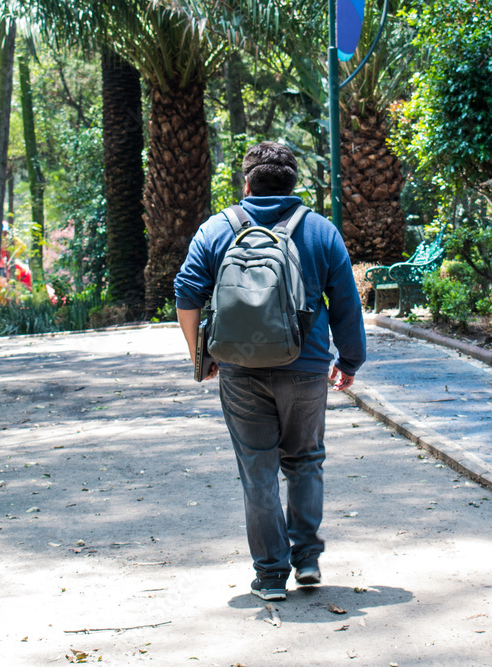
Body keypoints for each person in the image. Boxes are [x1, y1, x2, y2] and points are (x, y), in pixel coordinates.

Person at [174, 141, 367, 601]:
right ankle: (307, 560)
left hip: (239, 368)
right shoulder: (319, 230)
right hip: (306, 365)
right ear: (293, 183)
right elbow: (346, 301)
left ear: (247, 184)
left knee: (257, 470)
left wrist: (202, 357)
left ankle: (270, 575)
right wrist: (350, 360)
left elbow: (186, 293)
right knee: (305, 460)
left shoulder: (217, 229)